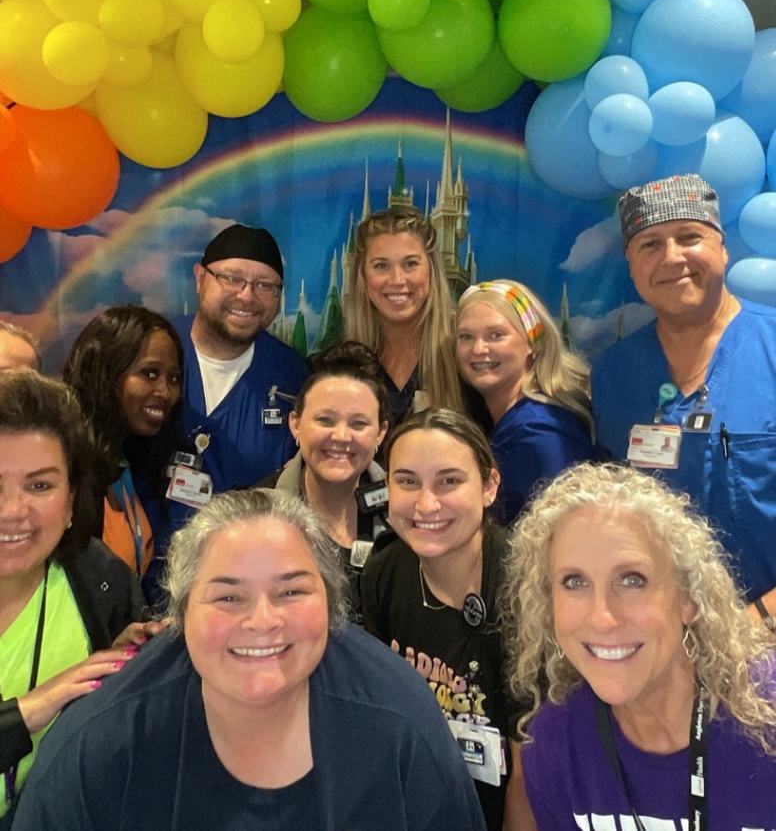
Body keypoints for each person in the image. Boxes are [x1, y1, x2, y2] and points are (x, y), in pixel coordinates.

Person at [12, 489, 487, 831]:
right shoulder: (100, 745)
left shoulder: (401, 722)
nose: (263, 620)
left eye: (291, 591)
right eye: (228, 598)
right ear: (180, 613)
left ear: (332, 602)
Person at [501, 462, 776, 829]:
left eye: (632, 580)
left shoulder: (765, 721)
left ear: (688, 598)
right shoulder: (556, 745)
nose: (602, 617)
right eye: (574, 582)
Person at [591, 174, 776, 624]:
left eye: (689, 237)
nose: (672, 257)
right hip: (658, 642)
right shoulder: (614, 372)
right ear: (632, 266)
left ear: (723, 247)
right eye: (650, 244)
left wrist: (762, 620)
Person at [361, 408, 523, 831]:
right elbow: (382, 727)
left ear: (489, 486)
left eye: (449, 481)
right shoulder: (386, 572)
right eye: (407, 481)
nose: (426, 503)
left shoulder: (526, 585)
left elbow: (534, 769)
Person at [0, 371, 147, 824]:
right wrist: (32, 709)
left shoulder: (101, 582)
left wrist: (131, 665)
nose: (13, 511)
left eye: (40, 485)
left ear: (72, 500)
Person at [175, 222, 308, 497]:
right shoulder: (151, 353)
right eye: (232, 279)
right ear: (200, 278)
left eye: (264, 285)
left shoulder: (294, 379)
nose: (246, 295)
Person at [260, 341, 390, 619]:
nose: (341, 437)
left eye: (358, 424)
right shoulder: (252, 514)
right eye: (325, 420)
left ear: (380, 432)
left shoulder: (407, 512)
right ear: (295, 424)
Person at [457, 280, 596, 524]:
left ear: (533, 342)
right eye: (466, 337)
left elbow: (562, 535)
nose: (478, 349)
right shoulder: (508, 422)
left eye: (496, 335)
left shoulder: (539, 434)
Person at [63, 305, 183, 585]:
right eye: (149, 374)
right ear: (105, 373)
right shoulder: (66, 468)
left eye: (174, 378)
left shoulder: (125, 463)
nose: (166, 392)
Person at [344, 207, 466, 427]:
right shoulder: (340, 367)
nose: (398, 279)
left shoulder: (465, 359)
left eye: (410, 264)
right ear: (362, 276)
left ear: (432, 271)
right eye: (381, 266)